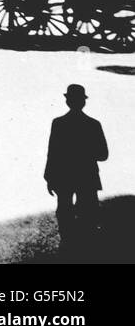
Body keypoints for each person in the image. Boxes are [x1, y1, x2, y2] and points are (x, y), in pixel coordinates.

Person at [45, 84, 108, 251]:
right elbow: (103, 154)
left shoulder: (58, 124)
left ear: (67, 101)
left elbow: (52, 153)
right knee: (88, 210)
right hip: (87, 174)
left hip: (64, 174)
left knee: (64, 209)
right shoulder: (94, 124)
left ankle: (68, 243)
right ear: (83, 102)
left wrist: (49, 177)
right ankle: (85, 246)